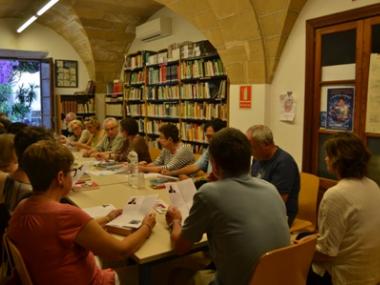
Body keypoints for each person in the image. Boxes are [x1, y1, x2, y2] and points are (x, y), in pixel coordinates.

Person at [7, 140, 156, 285]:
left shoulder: (22, 206)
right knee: (152, 270)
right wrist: (147, 226)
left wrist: (107, 218)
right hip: (84, 280)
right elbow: (120, 251)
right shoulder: (66, 215)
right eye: (70, 172)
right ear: (60, 178)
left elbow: (74, 229)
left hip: (46, 276)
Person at [166, 128, 290, 285]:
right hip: (277, 278)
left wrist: (175, 221)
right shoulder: (270, 188)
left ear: (215, 167)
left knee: (176, 274)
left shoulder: (208, 193)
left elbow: (180, 247)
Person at [308, 133, 380, 285]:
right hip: (371, 271)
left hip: (344, 276)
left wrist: (300, 250)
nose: (325, 159)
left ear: (338, 161)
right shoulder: (372, 185)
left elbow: (327, 252)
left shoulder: (336, 195)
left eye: (328, 155)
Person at [246, 125, 300, 226]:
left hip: (279, 215)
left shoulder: (284, 163)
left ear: (266, 144)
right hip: (259, 209)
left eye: (252, 147)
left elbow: (278, 202)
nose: (250, 152)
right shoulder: (258, 158)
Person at [161, 119, 226, 181]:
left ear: (221, 134)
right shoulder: (210, 148)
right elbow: (195, 166)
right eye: (207, 137)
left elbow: (215, 178)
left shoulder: (227, 152)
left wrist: (192, 181)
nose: (208, 140)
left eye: (211, 136)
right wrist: (172, 173)